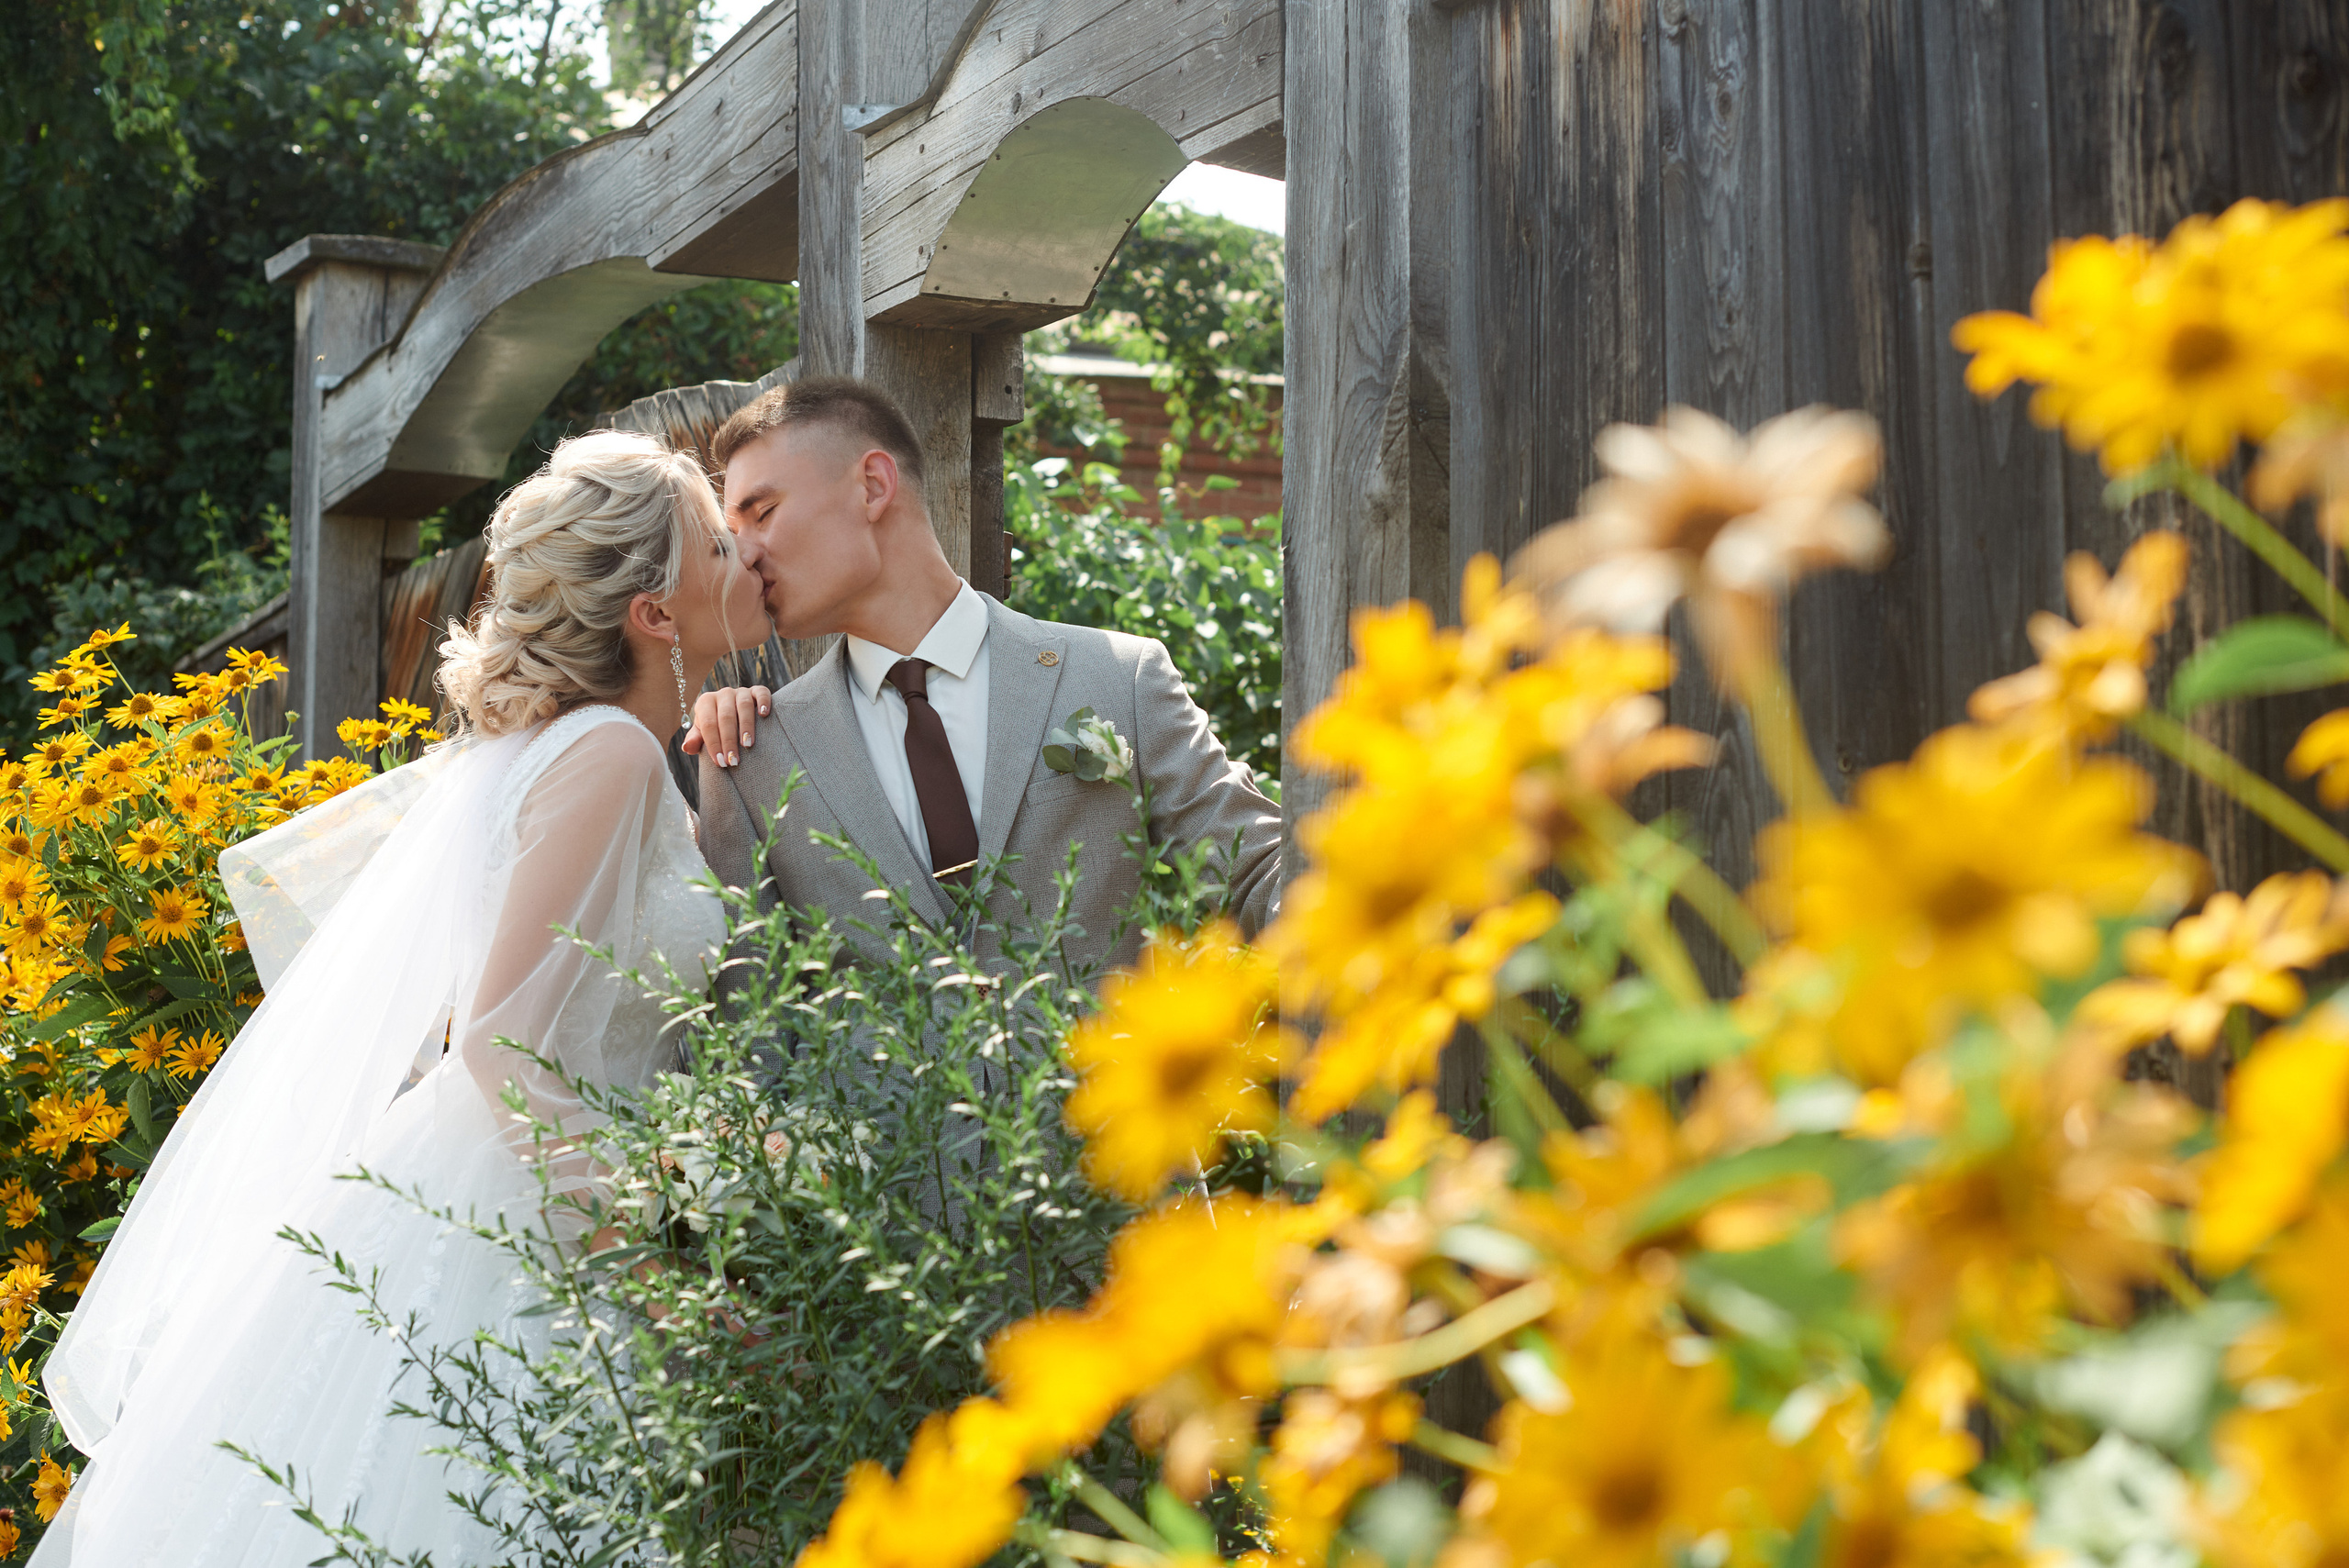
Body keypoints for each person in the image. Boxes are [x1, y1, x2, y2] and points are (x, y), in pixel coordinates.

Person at [35, 430, 773, 1565]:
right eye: (718, 540)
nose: (748, 553)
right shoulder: (608, 758)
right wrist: (661, 1246)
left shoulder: (577, 750)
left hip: (518, 1181)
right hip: (540, 1222)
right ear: (656, 614)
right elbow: (502, 1047)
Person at [685, 376, 1282, 976]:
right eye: (734, 536)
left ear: (871, 486)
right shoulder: (751, 759)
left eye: (761, 514)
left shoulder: (1119, 679)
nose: (748, 554)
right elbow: (754, 1032)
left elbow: (1255, 873)